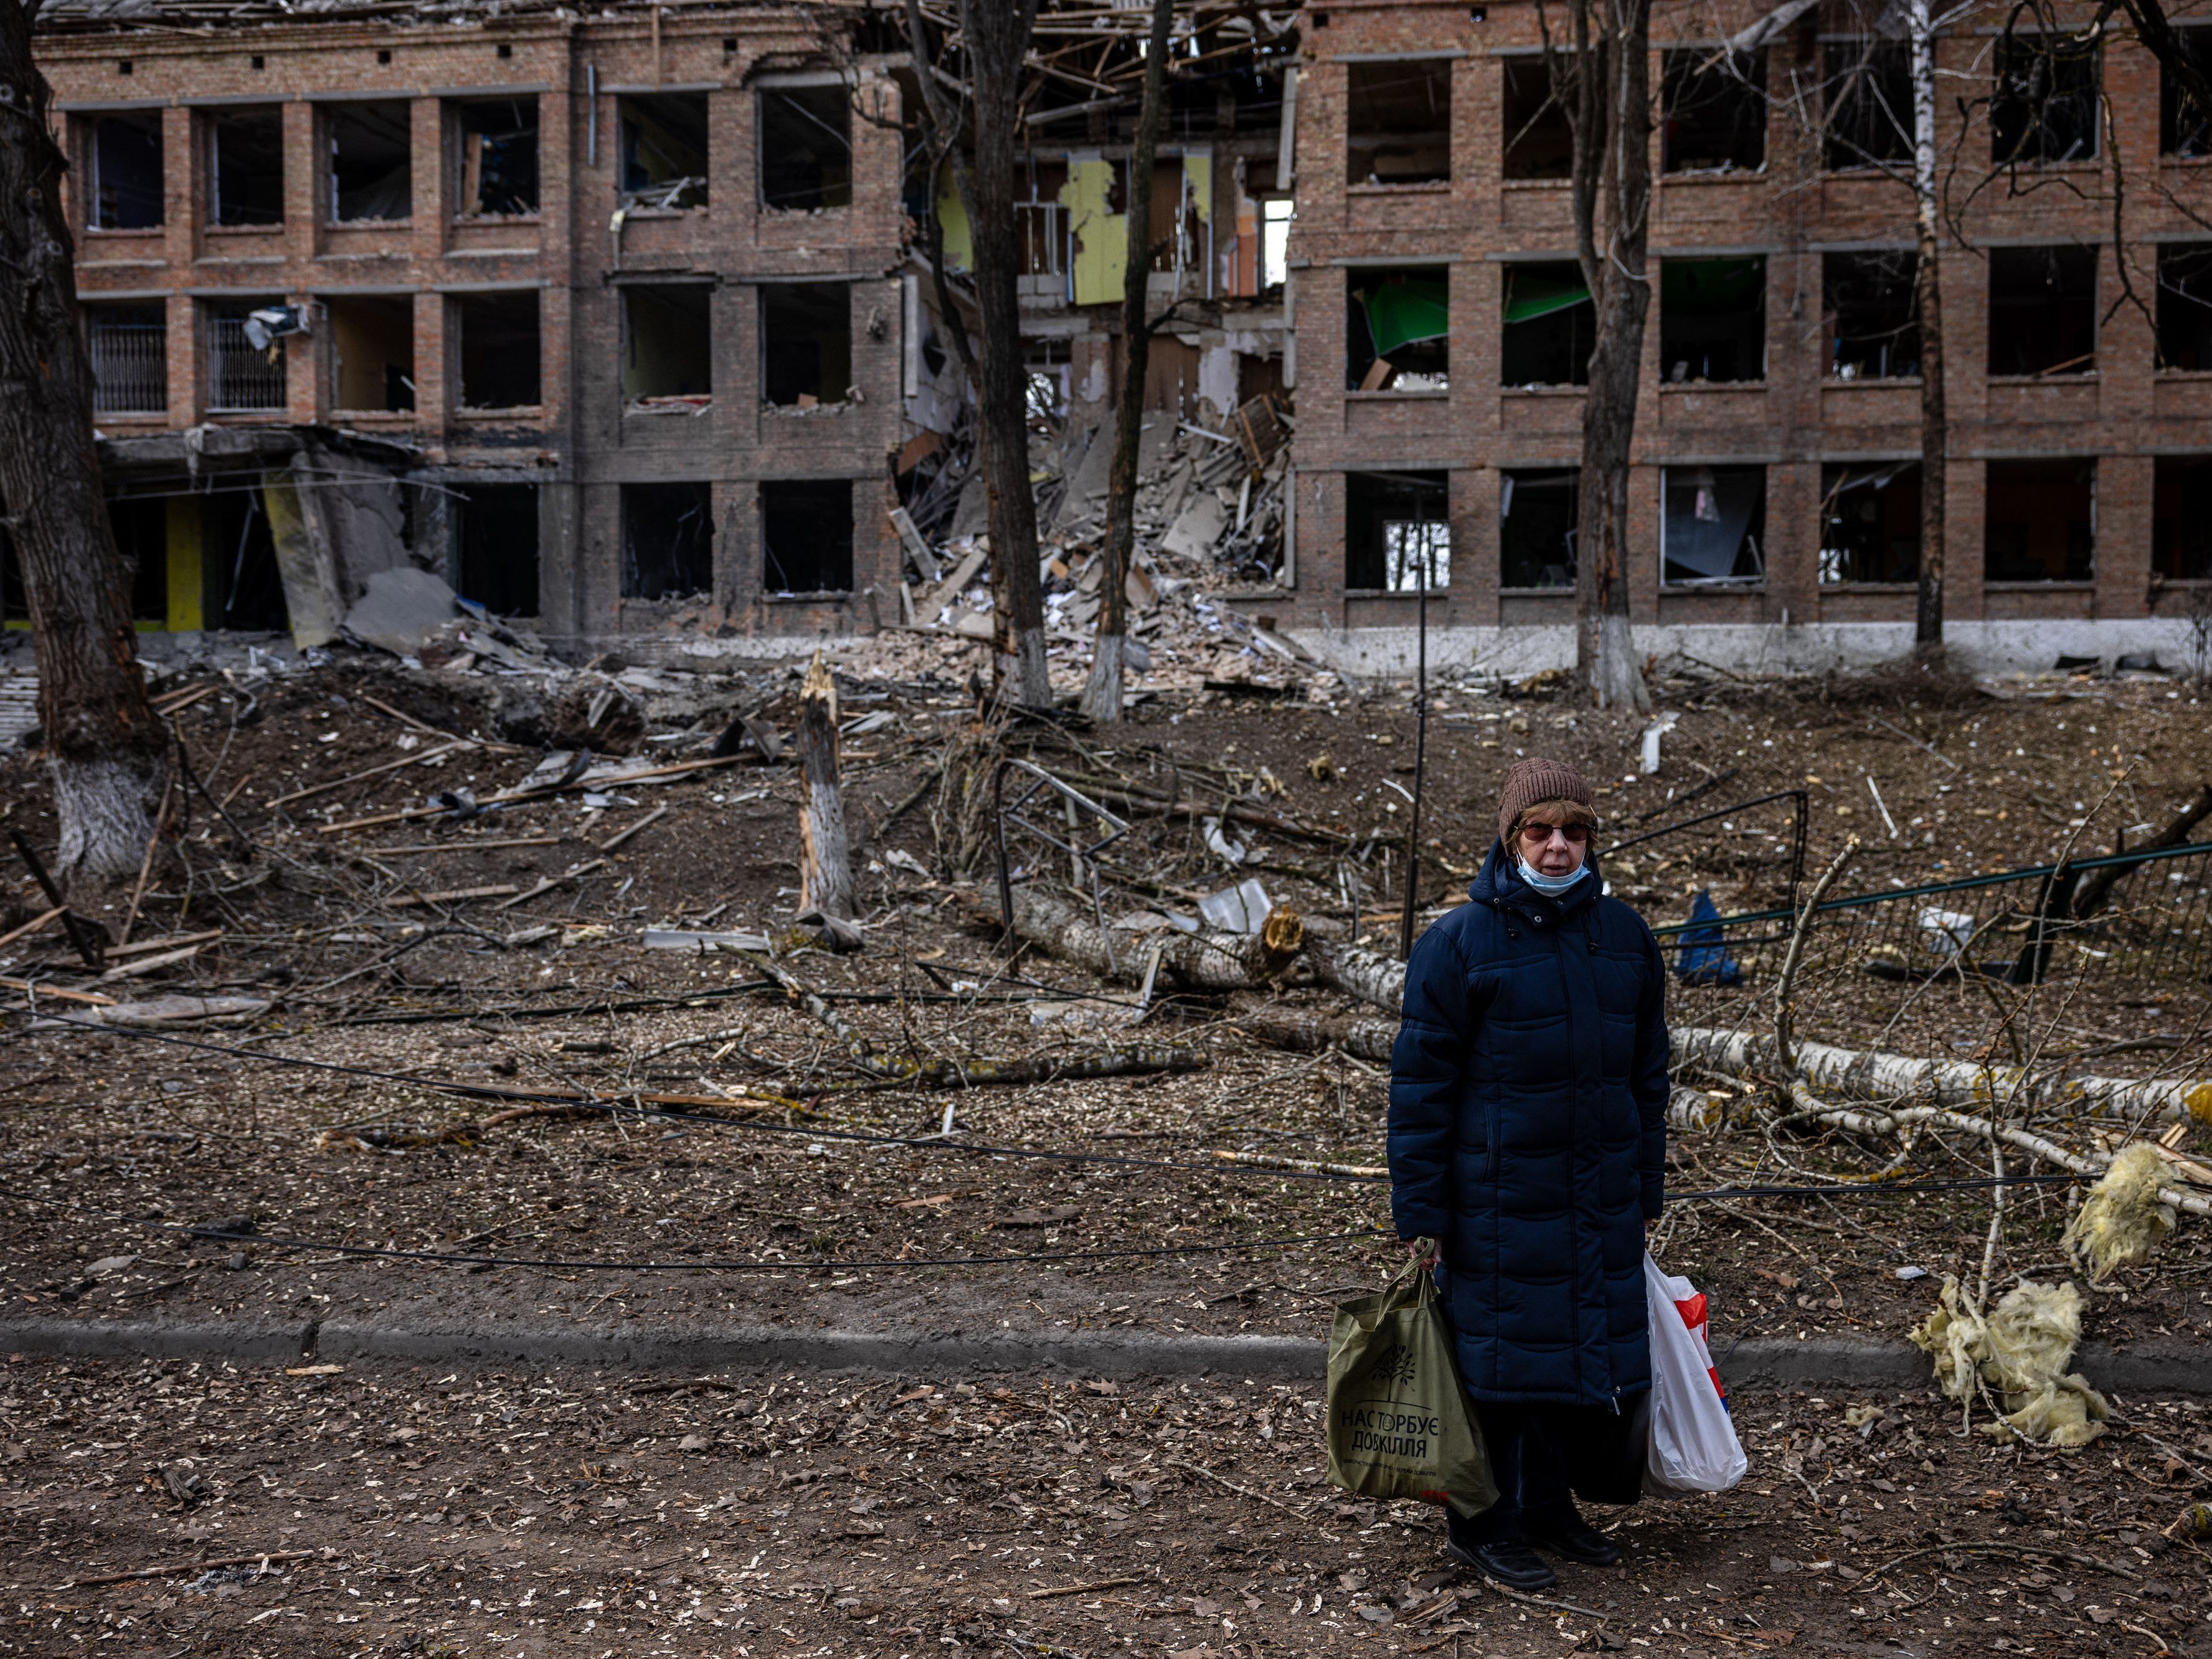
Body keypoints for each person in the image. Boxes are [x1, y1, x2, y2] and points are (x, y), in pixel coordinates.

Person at [1387, 756, 1669, 1589]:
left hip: (1596, 1197)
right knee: (1496, 1372)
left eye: (1573, 832)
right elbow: (1420, 1089)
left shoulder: (1625, 939)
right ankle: (1481, 1524)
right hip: (1496, 1203)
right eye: (1540, 831)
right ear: (1510, 838)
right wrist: (1422, 1211)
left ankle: (1547, 1507)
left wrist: (1646, 1190)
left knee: (1572, 1364)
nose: (1557, 847)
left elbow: (1648, 1078)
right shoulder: (1457, 944)